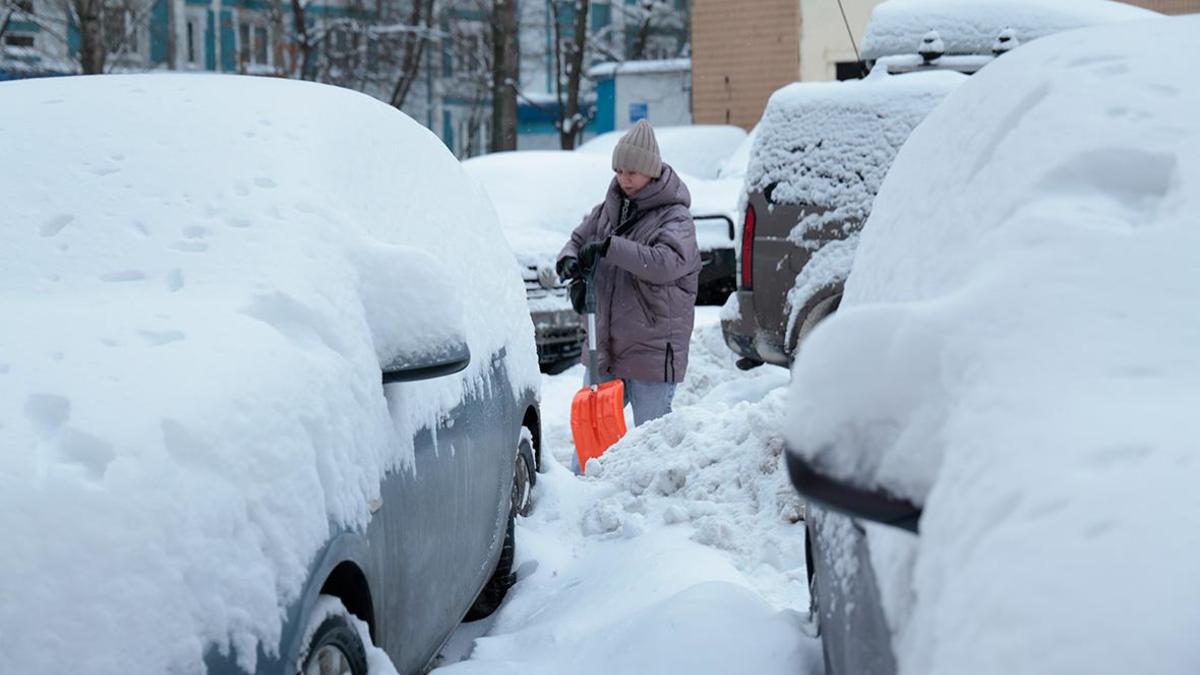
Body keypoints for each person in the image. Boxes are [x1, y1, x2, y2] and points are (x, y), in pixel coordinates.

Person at [556, 119, 700, 430]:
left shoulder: (675, 217)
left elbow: (665, 263)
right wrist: (569, 262)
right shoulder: (608, 209)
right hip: (605, 345)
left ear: (651, 170)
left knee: (650, 440)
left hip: (652, 347)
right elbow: (579, 239)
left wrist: (610, 247)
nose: (624, 179)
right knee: (591, 437)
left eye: (631, 172)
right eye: (619, 171)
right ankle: (583, 482)